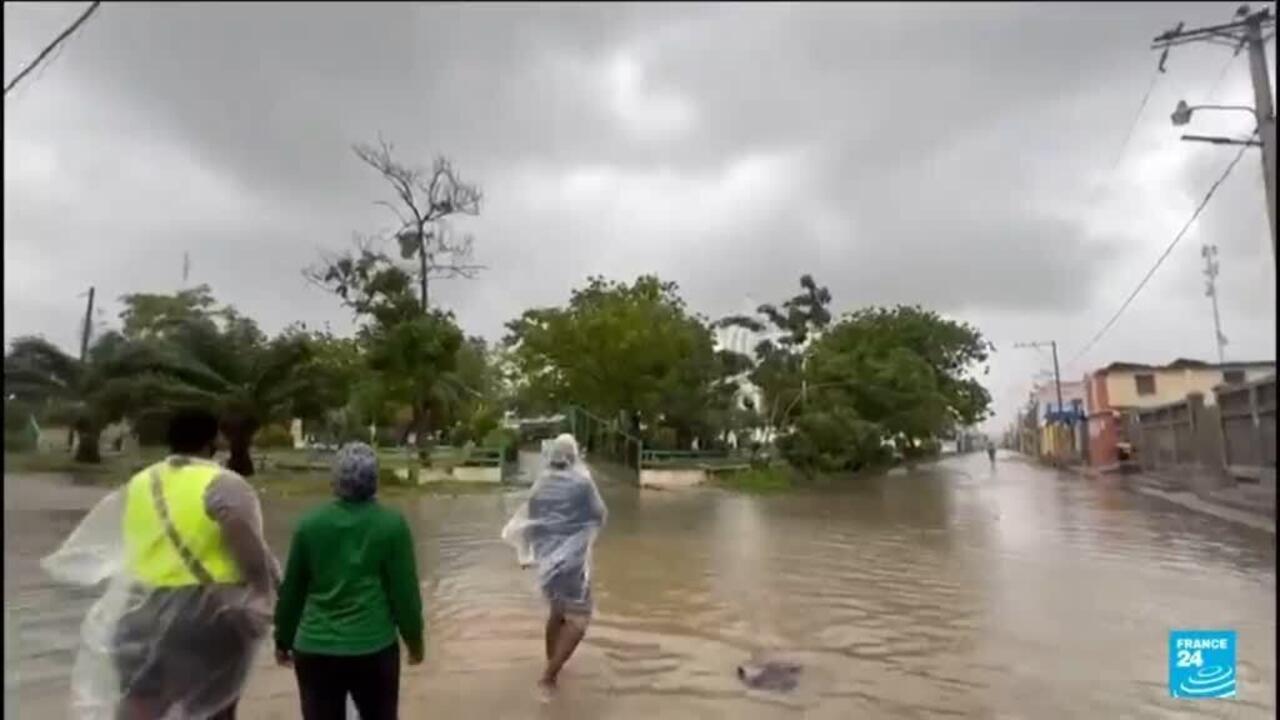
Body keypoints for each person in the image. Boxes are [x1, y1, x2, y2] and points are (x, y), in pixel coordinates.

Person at [43, 407, 280, 720]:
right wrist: (264, 590)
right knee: (213, 700)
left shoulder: (141, 482)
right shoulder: (224, 483)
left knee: (140, 701)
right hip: (207, 613)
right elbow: (244, 536)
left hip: (138, 609)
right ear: (213, 442)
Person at [273, 442, 423, 720]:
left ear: (335, 480)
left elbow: (292, 590)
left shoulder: (310, 525)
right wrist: (414, 641)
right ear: (375, 480)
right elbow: (404, 593)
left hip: (315, 649)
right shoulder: (392, 525)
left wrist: (282, 639)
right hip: (373, 649)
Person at [501, 433, 607, 695]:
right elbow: (600, 515)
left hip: (547, 562)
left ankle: (552, 662)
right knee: (579, 619)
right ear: (573, 455)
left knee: (557, 612)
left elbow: (532, 521)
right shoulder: (582, 483)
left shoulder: (541, 483)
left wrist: (533, 553)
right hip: (573, 563)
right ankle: (549, 675)